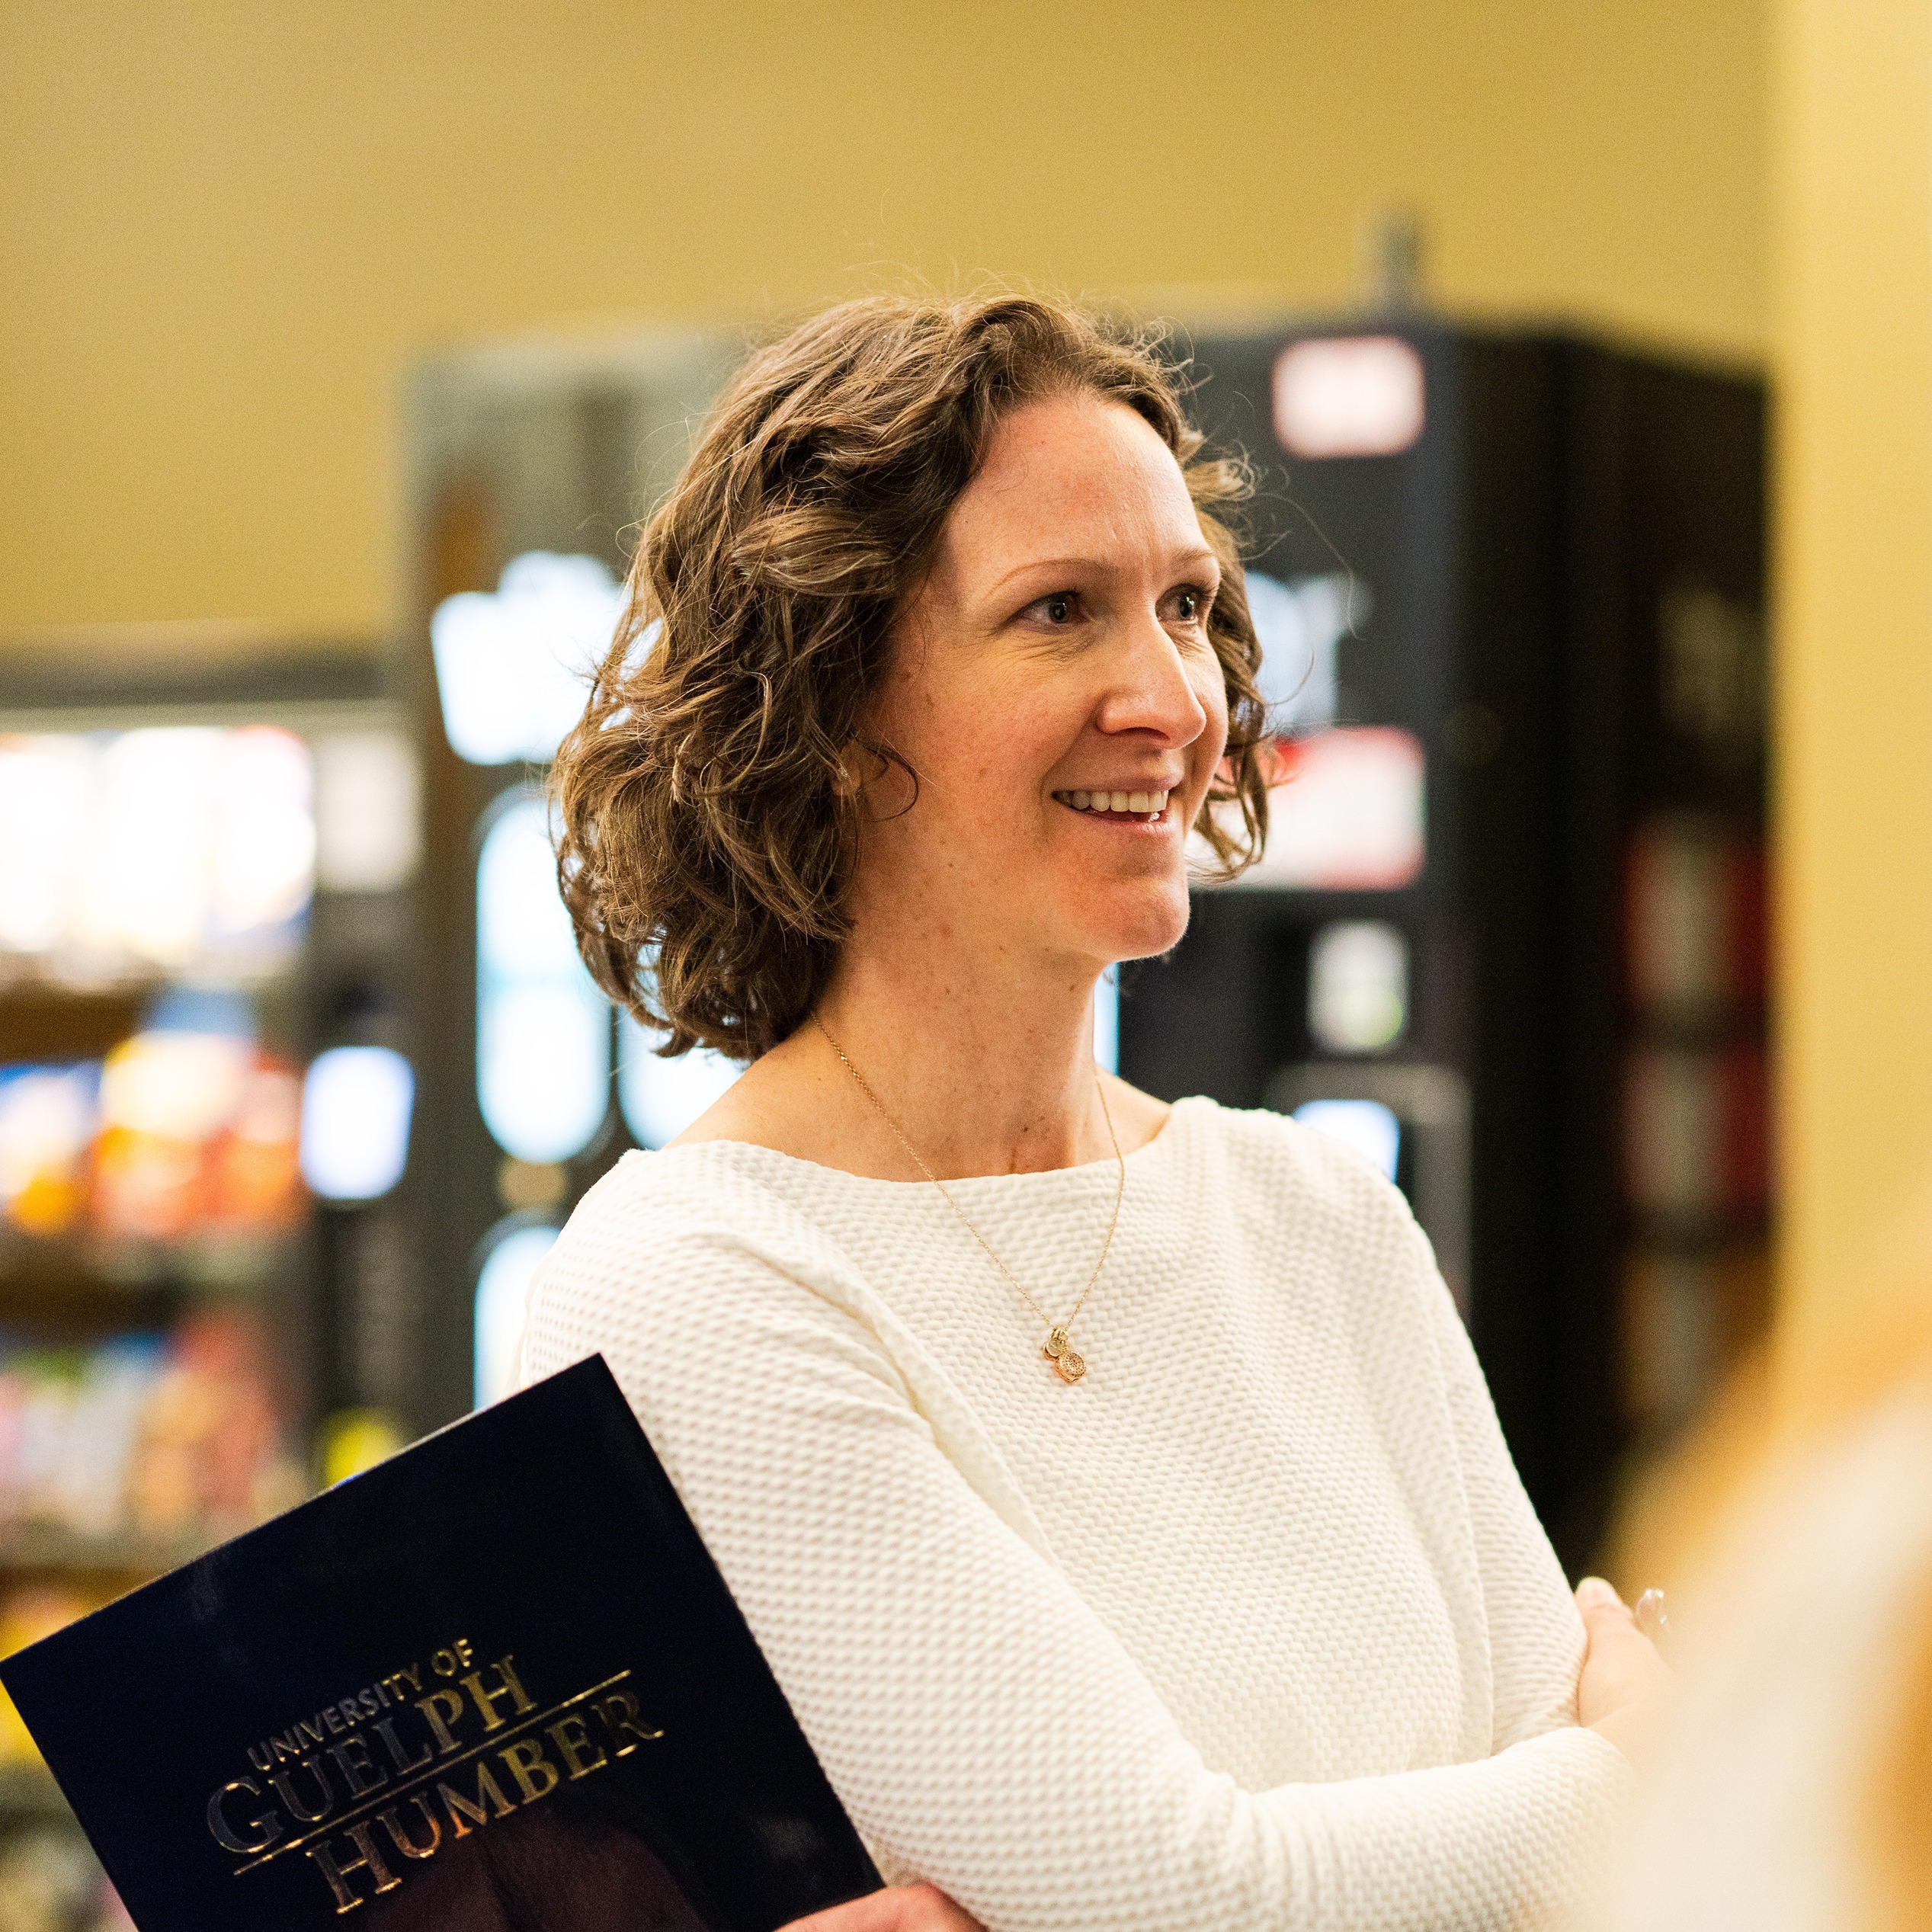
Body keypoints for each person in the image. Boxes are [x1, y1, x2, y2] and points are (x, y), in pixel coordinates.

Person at [525, 292, 1664, 1930]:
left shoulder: (1317, 1212)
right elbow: (1174, 1899)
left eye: (1187, 604)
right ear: (826, 705)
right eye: (1059, 611)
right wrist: (1643, 1771)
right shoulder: (691, 1288)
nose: (1171, 698)